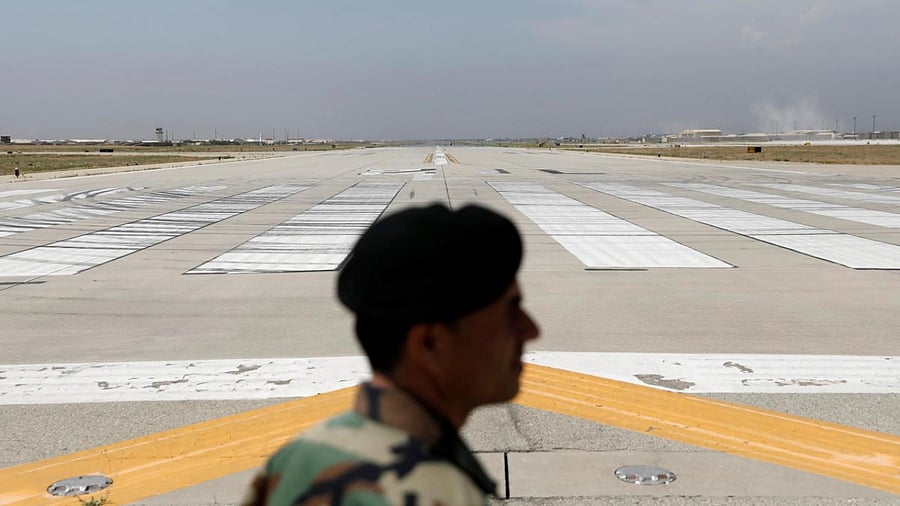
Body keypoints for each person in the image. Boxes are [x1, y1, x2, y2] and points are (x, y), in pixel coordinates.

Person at [242, 203, 540, 506]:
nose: (531, 330)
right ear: (429, 344)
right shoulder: (437, 493)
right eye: (509, 312)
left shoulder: (293, 462)